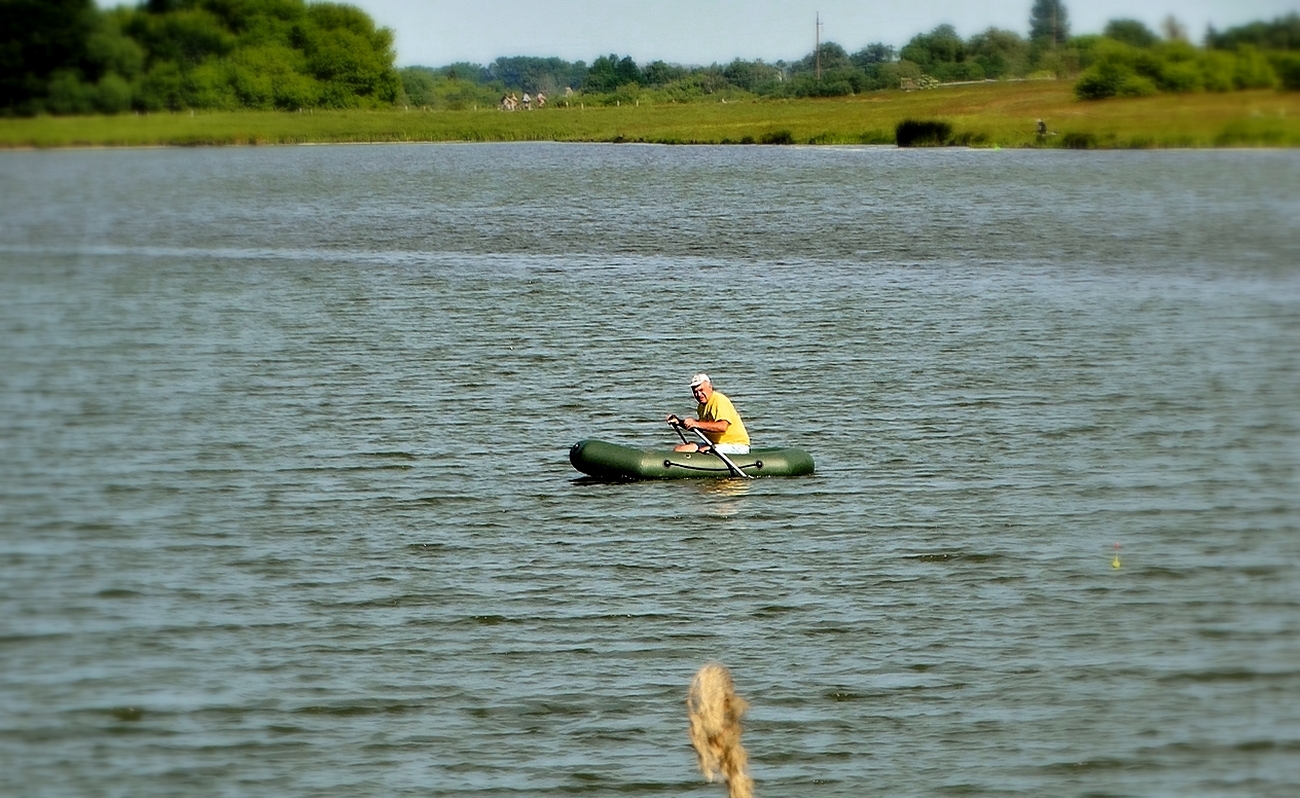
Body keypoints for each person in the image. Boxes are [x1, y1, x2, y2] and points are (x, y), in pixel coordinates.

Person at [666, 373, 750, 454]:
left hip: (736, 445)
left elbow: (722, 426)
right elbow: (703, 426)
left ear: (710, 387)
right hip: (715, 444)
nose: (699, 394)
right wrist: (679, 422)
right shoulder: (701, 406)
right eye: (695, 392)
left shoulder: (719, 400)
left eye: (701, 390)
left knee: (702, 451)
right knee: (680, 449)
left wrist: (696, 424)